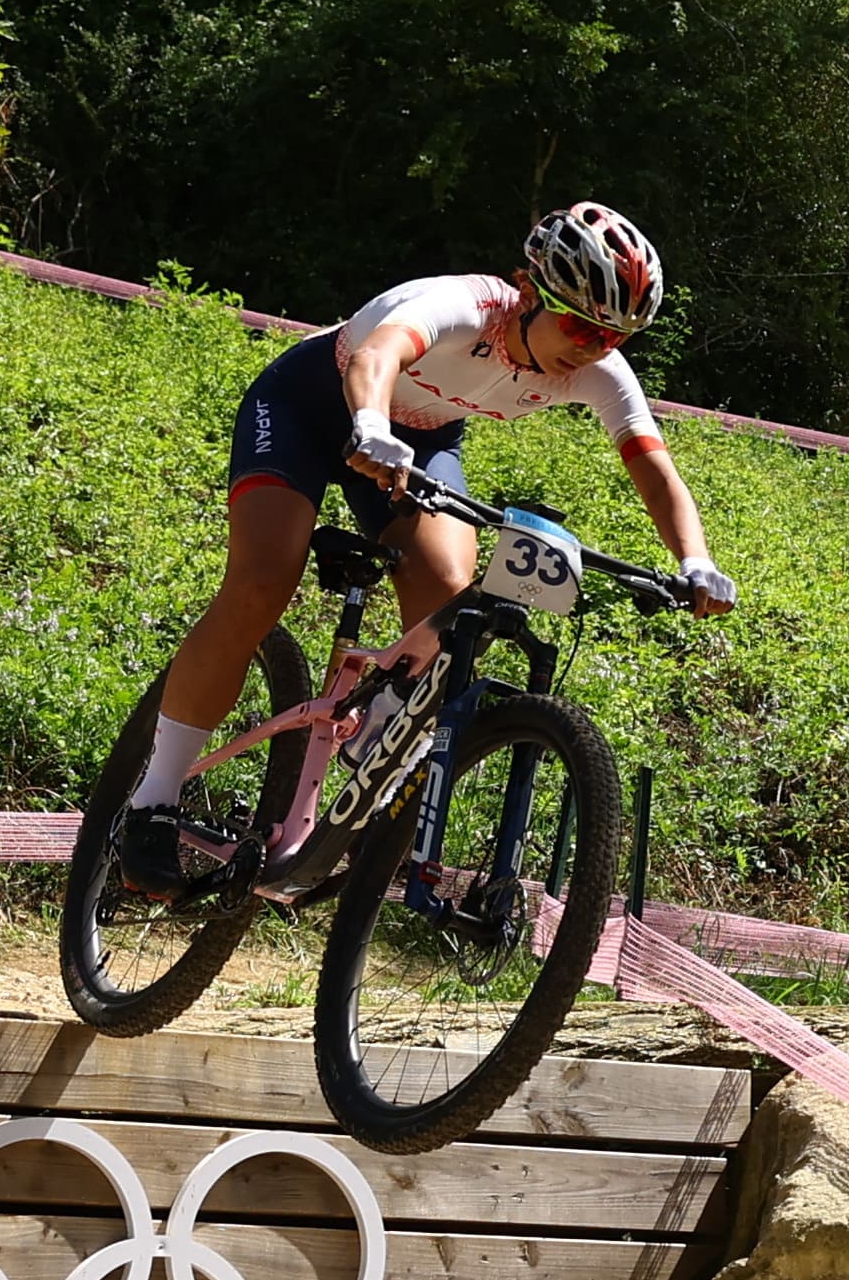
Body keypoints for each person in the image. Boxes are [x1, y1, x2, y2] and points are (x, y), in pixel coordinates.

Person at [118, 203, 731, 890]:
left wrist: (694, 561)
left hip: (420, 441)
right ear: (530, 293)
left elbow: (652, 465)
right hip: (308, 407)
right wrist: (372, 425)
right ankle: (153, 802)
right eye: (582, 325)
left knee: (450, 591)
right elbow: (380, 354)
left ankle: (378, 726)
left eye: (614, 338)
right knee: (263, 580)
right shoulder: (459, 306)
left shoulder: (595, 371)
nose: (592, 348)